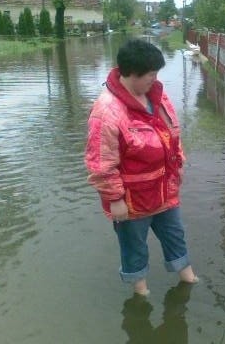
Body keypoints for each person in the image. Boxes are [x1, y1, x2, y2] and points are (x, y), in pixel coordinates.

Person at [85, 39, 198, 296]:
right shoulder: (107, 111)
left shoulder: (156, 95)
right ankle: (140, 292)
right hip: (132, 199)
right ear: (131, 74)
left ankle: (187, 277)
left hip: (164, 188)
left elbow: (172, 133)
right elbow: (102, 163)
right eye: (150, 75)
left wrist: (178, 163)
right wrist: (115, 199)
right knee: (134, 245)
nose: (155, 80)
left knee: (175, 234)